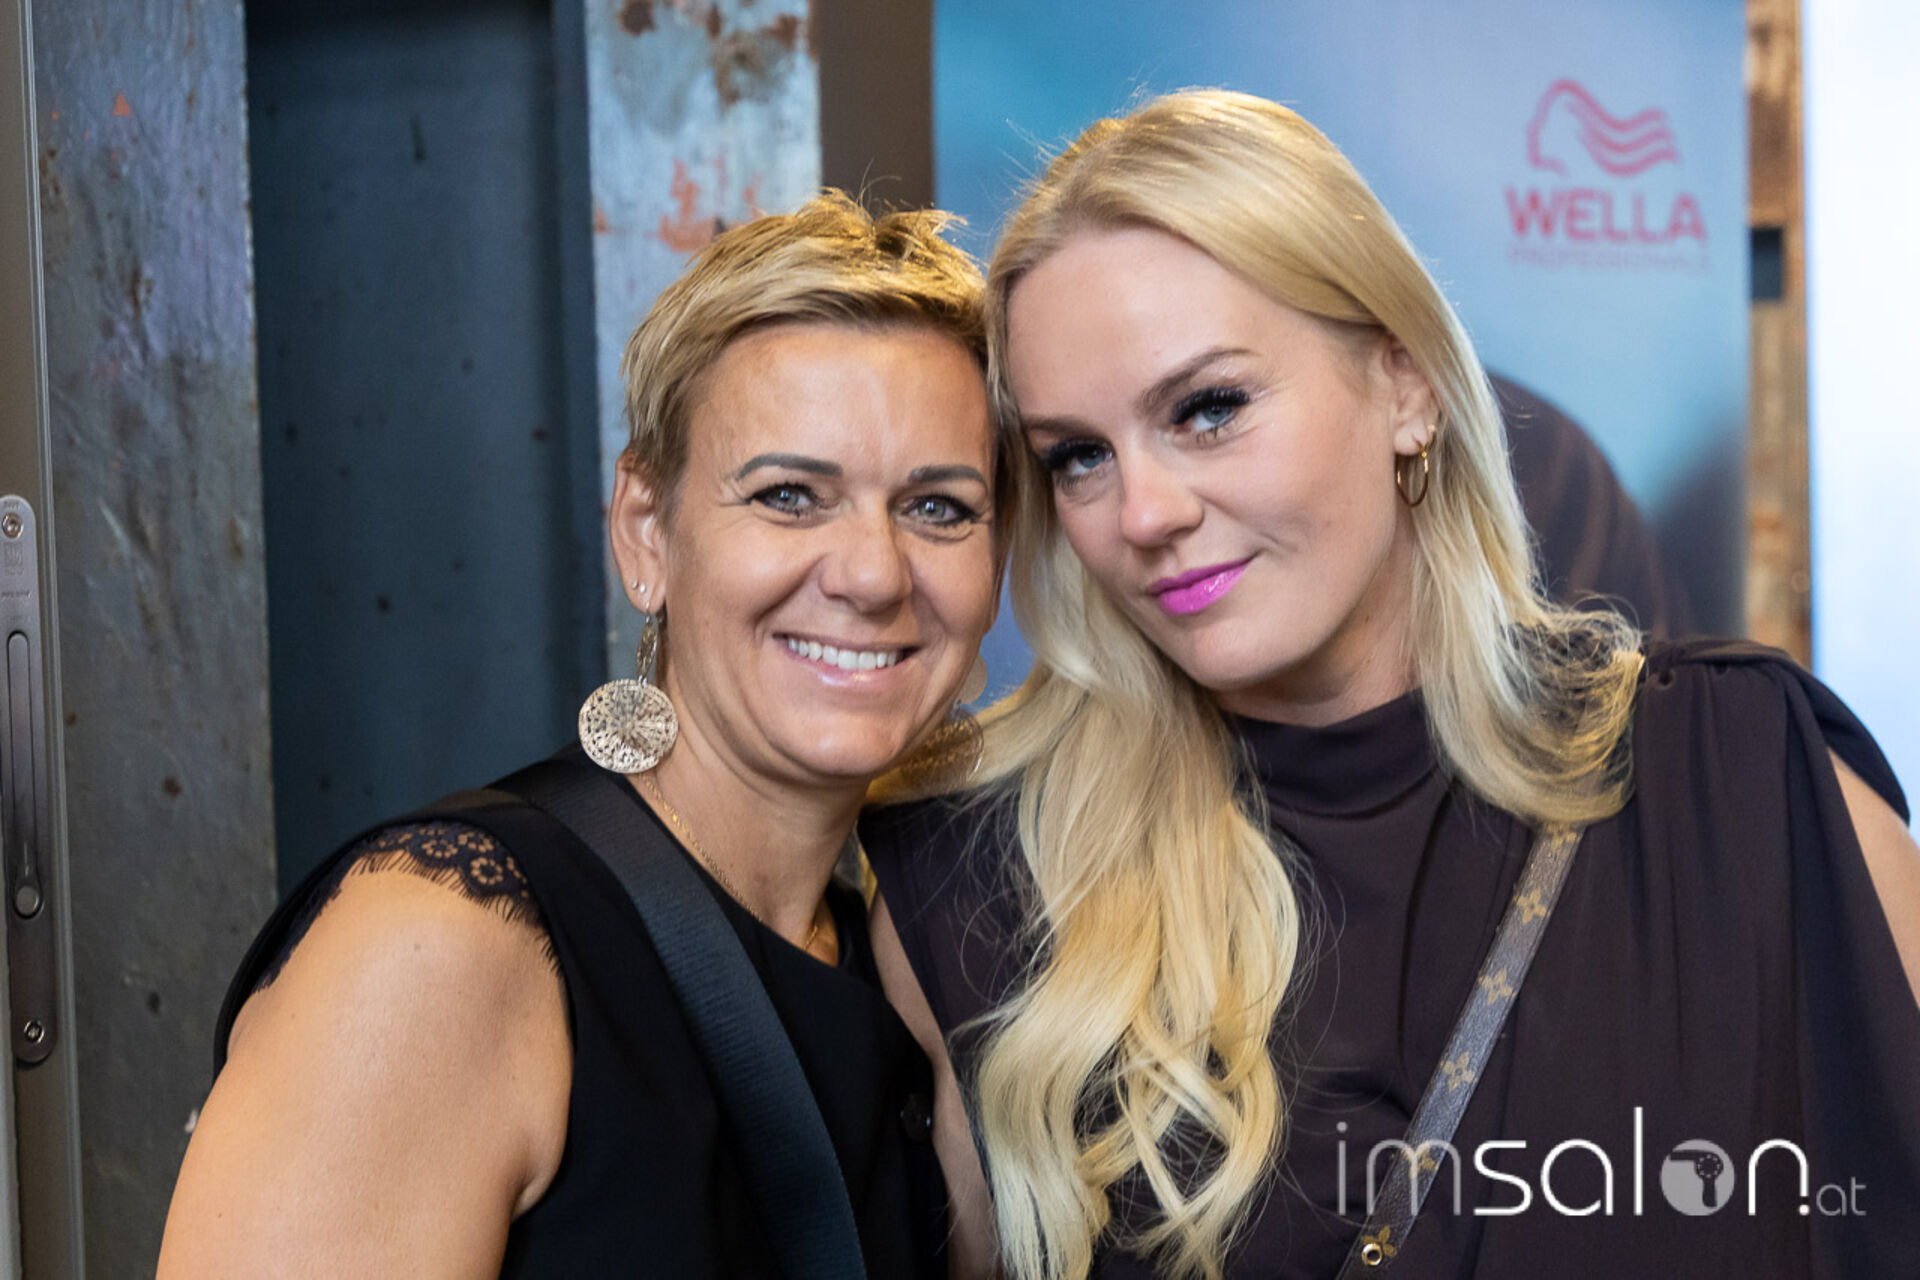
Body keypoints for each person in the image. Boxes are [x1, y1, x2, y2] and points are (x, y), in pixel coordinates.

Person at [861, 91, 1920, 1280]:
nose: (1143, 512)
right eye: (1078, 456)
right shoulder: (980, 880)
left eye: (1209, 408)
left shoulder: (1748, 781)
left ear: (1406, 385)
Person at [158, 192, 1003, 1277]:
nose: (875, 573)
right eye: (790, 495)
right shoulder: (438, 942)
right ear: (646, 532)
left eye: (939, 508)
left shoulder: (901, 963)